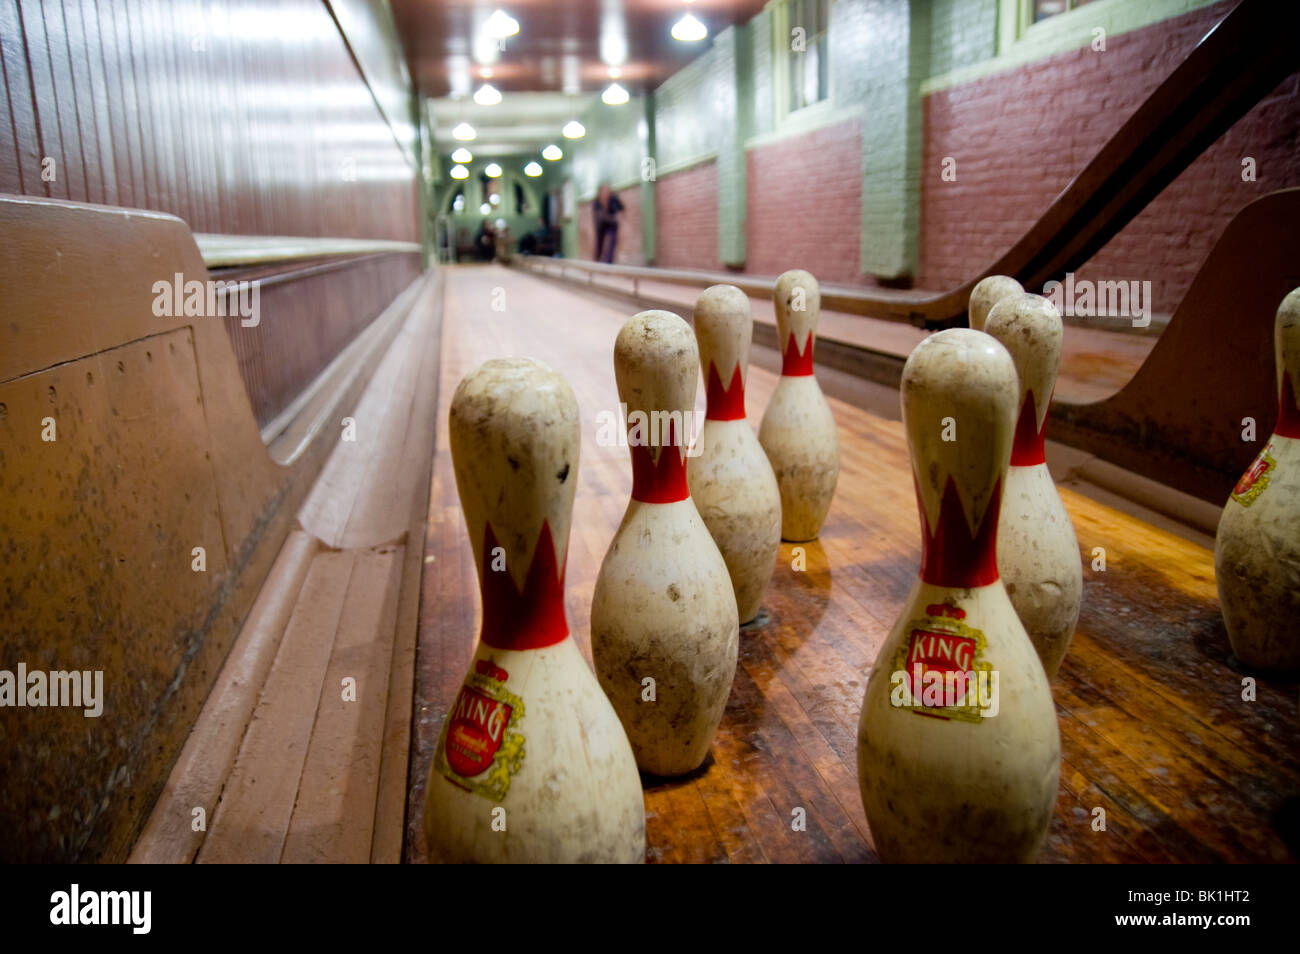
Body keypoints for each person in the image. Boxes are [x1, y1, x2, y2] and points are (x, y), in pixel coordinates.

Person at [592, 184, 623, 264]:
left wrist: (619, 215)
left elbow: (622, 208)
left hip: (612, 225)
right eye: (603, 192)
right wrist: (613, 218)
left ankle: (608, 262)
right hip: (601, 226)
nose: (605, 194)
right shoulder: (596, 203)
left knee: (612, 240)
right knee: (599, 245)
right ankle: (597, 260)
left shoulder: (613, 199)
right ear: (599, 193)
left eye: (607, 191)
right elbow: (599, 217)